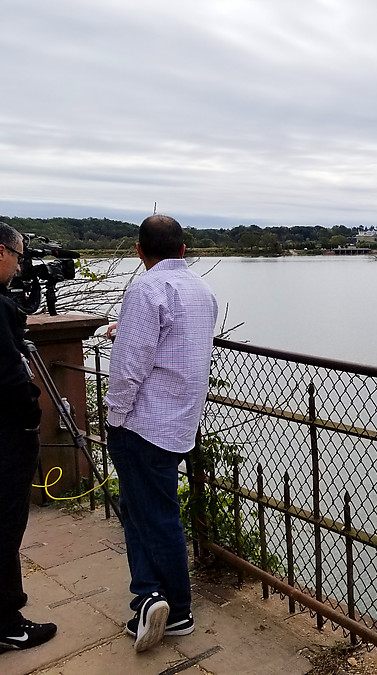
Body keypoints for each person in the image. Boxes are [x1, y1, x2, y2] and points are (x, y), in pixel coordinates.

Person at [105, 215, 218, 652]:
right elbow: (171, 341)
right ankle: (149, 595)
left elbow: (130, 367)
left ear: (139, 251)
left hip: (143, 423)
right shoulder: (200, 290)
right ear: (184, 249)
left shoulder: (147, 289)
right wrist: (125, 329)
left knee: (154, 515)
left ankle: (178, 608)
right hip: (180, 421)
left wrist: (114, 416)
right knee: (139, 509)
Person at [0, 222, 58, 652]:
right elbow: (11, 379)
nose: (20, 266)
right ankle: (8, 623)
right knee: (5, 526)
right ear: (1, 252)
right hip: (5, 436)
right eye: (18, 257)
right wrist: (31, 417)